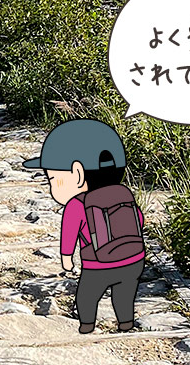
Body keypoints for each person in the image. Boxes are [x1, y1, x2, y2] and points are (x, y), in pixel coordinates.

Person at [22, 119, 146, 334]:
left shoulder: (76, 204)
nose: (52, 185)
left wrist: (67, 260)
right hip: (134, 259)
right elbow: (139, 220)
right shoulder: (123, 193)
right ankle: (125, 323)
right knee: (124, 294)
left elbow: (69, 235)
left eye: (53, 178)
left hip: (98, 265)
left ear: (77, 174)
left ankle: (87, 325)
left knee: (87, 295)